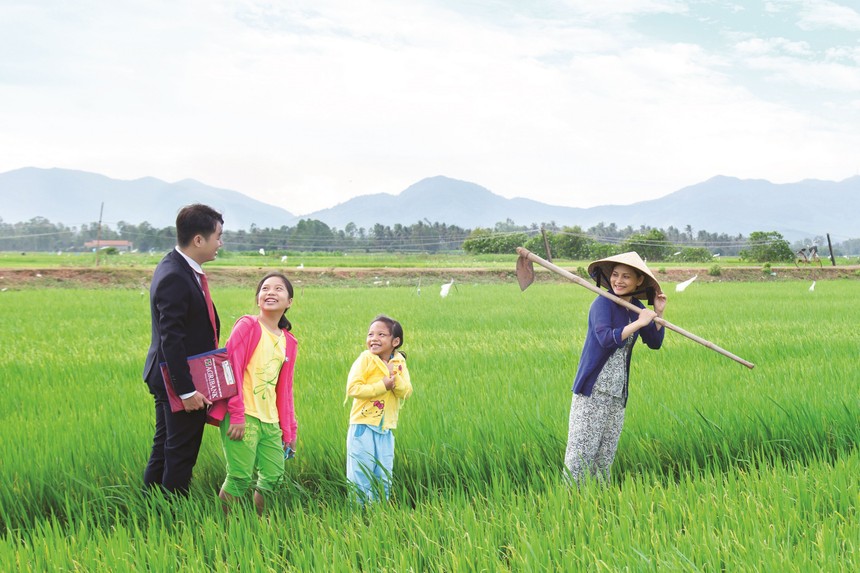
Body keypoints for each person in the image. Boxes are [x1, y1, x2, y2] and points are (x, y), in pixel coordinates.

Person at [563, 251, 667, 486]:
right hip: (593, 390)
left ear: (639, 281)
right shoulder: (602, 303)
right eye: (615, 275)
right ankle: (570, 503)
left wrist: (658, 313)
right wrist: (639, 322)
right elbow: (606, 339)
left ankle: (599, 504)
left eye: (626, 277)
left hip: (617, 393)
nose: (618, 281)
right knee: (581, 454)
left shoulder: (637, 307)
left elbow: (654, 342)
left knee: (604, 456)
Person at [143, 203, 224, 495]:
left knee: (166, 447)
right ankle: (173, 518)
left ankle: (151, 505)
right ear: (199, 240)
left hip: (169, 373)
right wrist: (186, 391)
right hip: (176, 377)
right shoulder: (176, 275)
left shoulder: (179, 268)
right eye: (218, 236)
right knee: (181, 453)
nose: (220, 243)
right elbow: (171, 338)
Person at [208, 272, 298, 516]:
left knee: (274, 477)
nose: (270, 292)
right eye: (265, 288)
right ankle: (225, 529)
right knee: (238, 476)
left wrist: (289, 430)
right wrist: (236, 415)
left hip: (271, 421)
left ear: (289, 301)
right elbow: (231, 370)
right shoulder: (248, 326)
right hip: (243, 414)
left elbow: (285, 389)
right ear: (258, 299)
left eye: (278, 289)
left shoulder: (289, 341)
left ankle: (260, 525)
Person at [345, 315, 412, 505]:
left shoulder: (399, 363)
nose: (374, 338)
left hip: (386, 429)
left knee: (383, 474)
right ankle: (357, 515)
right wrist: (382, 385)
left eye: (381, 334)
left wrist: (393, 378)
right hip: (363, 427)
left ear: (395, 341)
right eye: (370, 334)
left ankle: (379, 515)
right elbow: (353, 389)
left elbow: (406, 391)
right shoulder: (365, 359)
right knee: (360, 474)